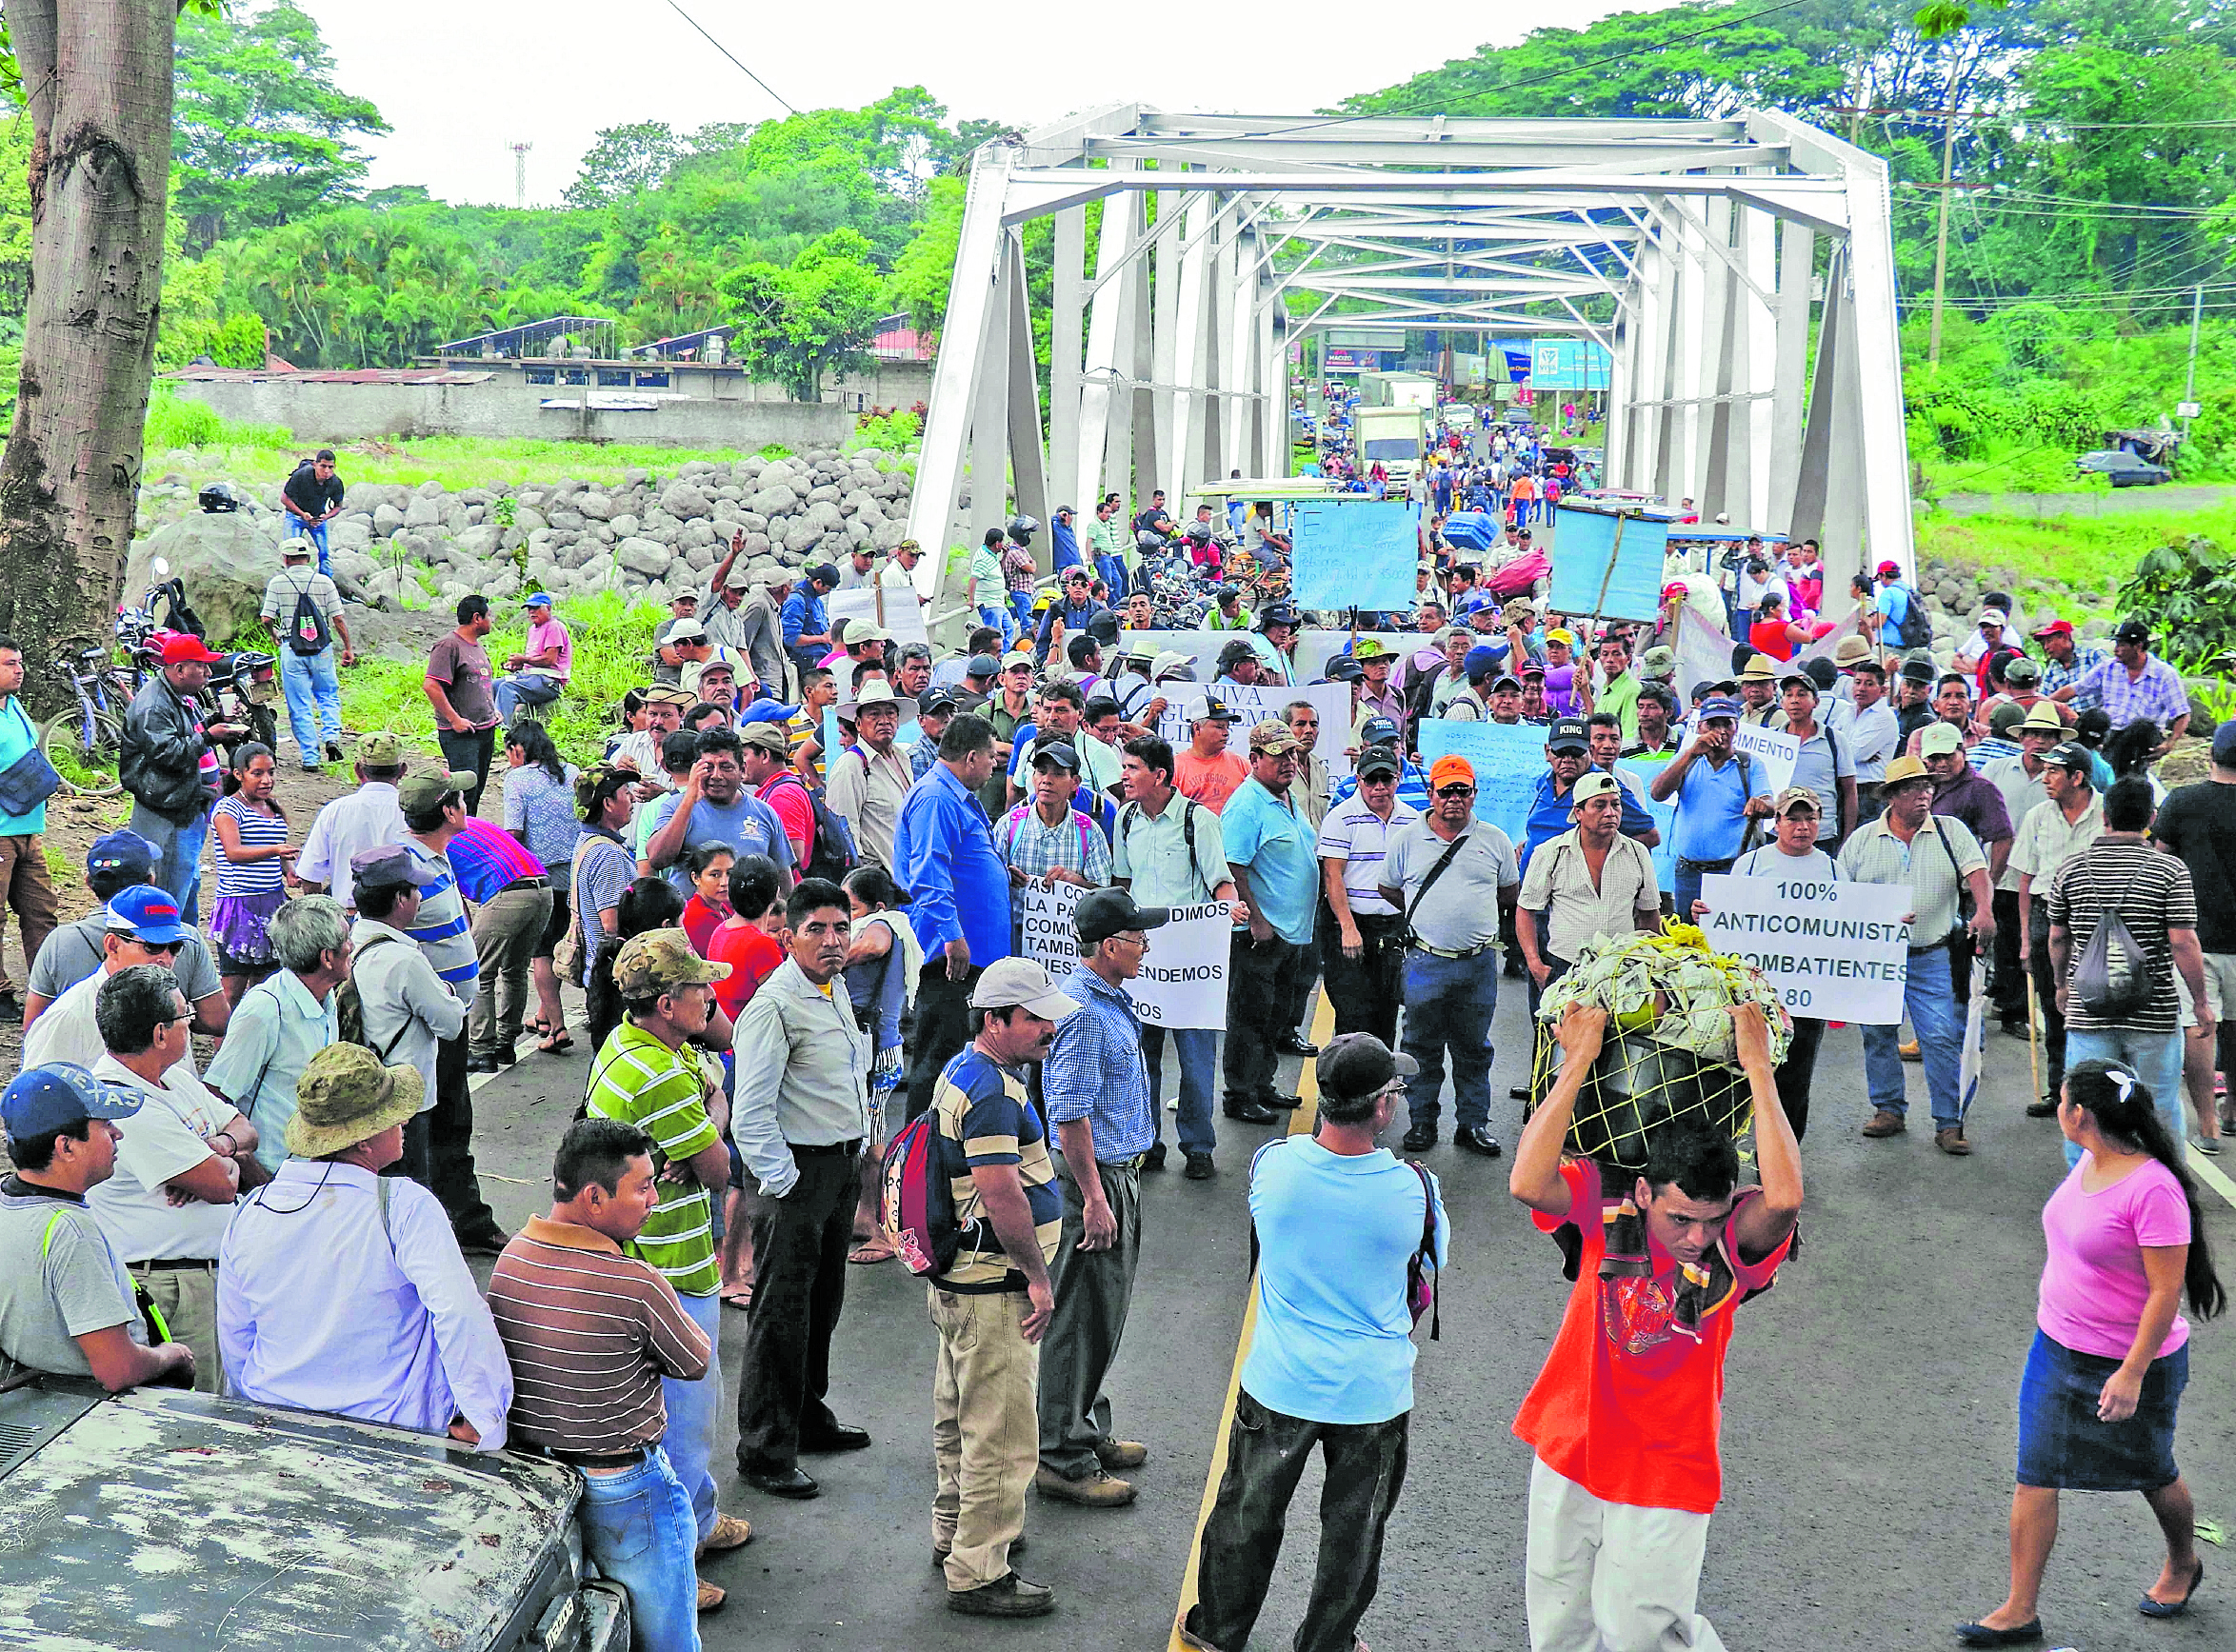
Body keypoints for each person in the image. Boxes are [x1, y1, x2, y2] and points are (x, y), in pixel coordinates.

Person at [1508, 1000, 1801, 1652]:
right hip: (1571, 1444)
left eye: (1712, 1217)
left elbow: (1782, 1198)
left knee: (1644, 1637)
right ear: (1644, 1193)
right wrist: (1578, 1060)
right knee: (1558, 1631)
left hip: (1667, 1467)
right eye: (1681, 1219)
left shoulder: (1734, 1249)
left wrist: (1758, 1065)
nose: (1698, 1237)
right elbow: (1528, 1180)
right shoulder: (1604, 1204)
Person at [1179, 1033, 1447, 1652]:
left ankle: (1218, 1629)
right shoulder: (1416, 1191)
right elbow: (1427, 1270)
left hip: (1281, 1378)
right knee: (1354, 1531)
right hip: (1371, 1393)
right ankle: (1327, 1642)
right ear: (1380, 1108)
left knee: (1246, 1513)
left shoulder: (1273, 1163)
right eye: (1396, 1091)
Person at [1956, 1060, 2225, 1646]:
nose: (2057, 1107)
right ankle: (2020, 1608)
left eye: (2061, 1099)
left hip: (2134, 1364)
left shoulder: (2153, 1188)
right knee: (2035, 1474)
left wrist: (2130, 1374)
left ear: (2080, 1115)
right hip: (2056, 1351)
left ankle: (2184, 1562)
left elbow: (2164, 1291)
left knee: (2153, 1470)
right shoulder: (2089, 1162)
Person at [489, 1118, 724, 1644]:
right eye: (642, 1187)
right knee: (666, 1637)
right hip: (625, 1490)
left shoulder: (512, 1259)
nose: (654, 1200)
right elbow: (694, 1361)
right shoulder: (634, 1283)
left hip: (539, 1482)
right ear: (594, 1198)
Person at [220, 1042, 511, 1452]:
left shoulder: (252, 1210)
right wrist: (483, 1416)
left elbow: (236, 1338)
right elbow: (460, 1314)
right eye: (392, 1117)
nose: (405, 1122)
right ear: (362, 1141)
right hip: (389, 1435)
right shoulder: (403, 1207)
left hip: (277, 1424)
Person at [585, 929, 741, 1566]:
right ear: (668, 1004)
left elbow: (715, 1094)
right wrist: (708, 1110)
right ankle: (678, 1555)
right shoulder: (665, 1074)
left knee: (694, 1413)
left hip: (648, 1257)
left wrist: (709, 1108)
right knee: (682, 1421)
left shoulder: (631, 1041)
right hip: (669, 1269)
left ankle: (698, 1518)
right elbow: (719, 1168)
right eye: (700, 987)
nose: (712, 995)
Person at [926, 959, 1077, 1618]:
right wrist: (1039, 1278)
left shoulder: (965, 1069)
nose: (1049, 1028)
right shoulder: (990, 1090)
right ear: (996, 1020)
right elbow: (1000, 1190)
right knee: (1004, 1434)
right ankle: (980, 1568)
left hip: (964, 1284)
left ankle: (955, 1531)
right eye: (1036, 1018)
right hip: (997, 1288)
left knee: (959, 1417)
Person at [729, 880, 875, 1501]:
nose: (833, 940)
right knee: (781, 1315)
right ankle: (765, 1448)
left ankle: (807, 1416)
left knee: (823, 1304)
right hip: (795, 1175)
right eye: (816, 928)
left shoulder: (833, 987)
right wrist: (787, 1184)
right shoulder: (775, 1004)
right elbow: (750, 1113)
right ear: (787, 935)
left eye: (841, 927)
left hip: (837, 1171)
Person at [1034, 887, 1166, 1509]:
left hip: (1115, 1173)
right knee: (1080, 1317)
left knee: (1101, 1314)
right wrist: (1093, 1197)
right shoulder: (1085, 1011)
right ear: (1110, 945)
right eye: (1138, 937)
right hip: (1094, 1178)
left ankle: (1084, 1425)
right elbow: (1069, 1114)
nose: (1145, 945)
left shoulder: (1106, 998)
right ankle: (1061, 1453)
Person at [86, 965, 264, 1390]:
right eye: (186, 1018)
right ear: (161, 1033)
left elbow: (246, 1130)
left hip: (197, 1276)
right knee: (191, 1420)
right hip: (170, 1285)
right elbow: (221, 1187)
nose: (192, 1025)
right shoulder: (127, 1099)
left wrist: (217, 1148)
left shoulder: (174, 1080)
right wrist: (220, 1163)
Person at [0, 1063, 197, 1390]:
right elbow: (117, 1369)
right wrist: (172, 1356)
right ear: (66, 1147)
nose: (118, 1133)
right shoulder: (70, 1231)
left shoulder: (7, 1201)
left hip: (39, 1401)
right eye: (105, 1124)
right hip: (91, 1416)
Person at [2046, 776, 2211, 1161]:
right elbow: (2183, 941)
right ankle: (2166, 1185)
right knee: (2159, 1104)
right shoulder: (2169, 871)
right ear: (2150, 818)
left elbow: (2057, 938)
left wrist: (2061, 985)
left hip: (2089, 1010)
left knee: (2084, 1103)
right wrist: (2201, 1002)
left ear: (2104, 816)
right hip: (2152, 1012)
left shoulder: (2071, 868)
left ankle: (2087, 1190)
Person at [1842, 754, 1993, 1156]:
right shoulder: (1861, 841)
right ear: (1891, 797)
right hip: (1877, 957)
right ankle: (1888, 1108)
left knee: (1941, 1036)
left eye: (1927, 787)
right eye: (1911, 788)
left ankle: (1949, 1122)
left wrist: (1984, 909)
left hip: (1932, 953)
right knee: (1877, 1034)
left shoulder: (1950, 831)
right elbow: (1841, 897)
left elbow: (1977, 871)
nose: (1923, 795)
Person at [1378, 753, 1521, 1157]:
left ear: (1474, 795)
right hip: (1426, 962)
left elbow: (1509, 892)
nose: (1454, 799)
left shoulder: (1494, 839)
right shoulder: (1407, 838)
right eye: (1446, 791)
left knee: (1473, 1048)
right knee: (1420, 1045)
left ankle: (1472, 1125)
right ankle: (1422, 1122)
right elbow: (1390, 888)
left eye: (1463, 791)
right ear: (1431, 794)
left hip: (1477, 965)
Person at [1112, 736, 1238, 1179]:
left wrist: (1231, 907)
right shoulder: (1125, 819)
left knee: (1196, 1058)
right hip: (1141, 960)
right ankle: (1147, 1141)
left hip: (1190, 961)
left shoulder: (1197, 821)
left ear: (1159, 775)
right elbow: (1123, 885)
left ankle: (1198, 1146)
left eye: (1132, 768)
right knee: (1140, 1056)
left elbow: (1220, 881)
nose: (1124, 776)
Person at [395, 768, 507, 1249]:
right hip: (430, 1023)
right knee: (434, 1122)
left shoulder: (436, 860)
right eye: (460, 799)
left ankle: (459, 1216)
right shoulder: (406, 870)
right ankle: (439, 1223)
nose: (467, 805)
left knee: (452, 1118)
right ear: (447, 811)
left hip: (450, 1018)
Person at [1697, 789, 1839, 1137]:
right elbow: (1725, 920)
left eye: (1810, 818)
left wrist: (1890, 923)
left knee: (1795, 1083)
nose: (1802, 826)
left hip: (1806, 1001)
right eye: (1793, 818)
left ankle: (1778, 1167)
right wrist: (1704, 913)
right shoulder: (1751, 864)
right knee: (1733, 1076)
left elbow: (1850, 928)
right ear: (1777, 823)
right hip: (1753, 995)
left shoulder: (1833, 869)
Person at [895, 715, 1013, 1123]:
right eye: (991, 757)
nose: (995, 765)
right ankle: (918, 1161)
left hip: (973, 955)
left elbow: (960, 860)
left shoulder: (956, 795)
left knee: (962, 1063)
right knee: (939, 1064)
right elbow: (927, 872)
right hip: (952, 959)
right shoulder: (936, 799)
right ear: (971, 757)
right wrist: (952, 934)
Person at [25, 832, 227, 1039]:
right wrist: (174, 1019)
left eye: (173, 948)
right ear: (151, 880)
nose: (166, 955)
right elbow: (216, 1021)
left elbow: (34, 1029)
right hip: (161, 1061)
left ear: (88, 883)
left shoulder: (59, 941)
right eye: (153, 946)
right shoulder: (185, 936)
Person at [347, 846, 465, 1186]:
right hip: (405, 1097)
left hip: (362, 1088)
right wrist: (450, 995)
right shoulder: (404, 960)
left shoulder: (349, 942)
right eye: (415, 890)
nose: (419, 896)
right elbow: (450, 1024)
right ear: (400, 899)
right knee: (408, 1190)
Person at [1517, 769, 1661, 1045]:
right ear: (1579, 812)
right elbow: (1525, 910)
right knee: (1554, 1055)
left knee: (1611, 1057)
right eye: (1600, 805)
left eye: (1615, 804)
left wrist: (1651, 965)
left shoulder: (1637, 853)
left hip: (1621, 972)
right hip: (1565, 969)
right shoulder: (1550, 853)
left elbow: (1649, 916)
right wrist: (1535, 965)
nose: (1610, 812)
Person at [1222, 721, 1319, 1125]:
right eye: (1279, 755)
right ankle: (1240, 1093)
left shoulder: (1286, 797)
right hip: (1261, 934)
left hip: (1291, 930)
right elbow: (1232, 866)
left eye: (1292, 754)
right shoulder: (1247, 805)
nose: (1289, 762)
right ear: (1255, 759)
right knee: (1249, 1017)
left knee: (1275, 1015)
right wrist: (1257, 920)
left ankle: (1262, 1084)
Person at [25, 886, 204, 1076]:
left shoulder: (172, 1004)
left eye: (175, 947)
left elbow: (188, 1083)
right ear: (113, 946)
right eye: (153, 946)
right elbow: (35, 1099)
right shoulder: (69, 1017)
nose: (166, 959)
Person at [121, 632, 235, 922]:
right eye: (202, 666)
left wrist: (213, 723)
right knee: (169, 887)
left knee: (188, 883)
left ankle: (186, 949)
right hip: (166, 810)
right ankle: (167, 949)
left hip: (187, 805)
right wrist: (210, 736)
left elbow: (186, 735)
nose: (208, 672)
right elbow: (167, 754)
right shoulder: (154, 705)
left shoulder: (181, 696)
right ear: (180, 669)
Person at [1318, 746, 1416, 1050]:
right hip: (1351, 923)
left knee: (1385, 1013)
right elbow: (1333, 877)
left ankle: (1378, 1092)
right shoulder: (1341, 818)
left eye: (1386, 779)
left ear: (1397, 779)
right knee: (1352, 1014)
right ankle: (1342, 1093)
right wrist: (1348, 928)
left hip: (1392, 927)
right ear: (1359, 780)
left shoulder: (1412, 820)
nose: (1379, 788)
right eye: (1371, 780)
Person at [501, 723, 581, 1051]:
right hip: (577, 871)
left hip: (539, 874)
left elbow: (514, 832)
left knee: (542, 952)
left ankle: (558, 1029)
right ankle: (544, 1014)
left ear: (518, 749)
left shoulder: (517, 779)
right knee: (567, 938)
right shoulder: (571, 772)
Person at [643, 726, 796, 895]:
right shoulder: (675, 805)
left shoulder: (765, 813)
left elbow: (783, 881)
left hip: (748, 919)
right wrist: (689, 801)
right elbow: (657, 859)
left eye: (726, 767)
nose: (716, 775)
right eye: (708, 767)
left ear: (742, 770)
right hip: (691, 919)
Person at [207, 744, 296, 1003]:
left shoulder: (272, 806)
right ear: (238, 774)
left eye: (271, 772)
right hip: (240, 905)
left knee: (265, 985)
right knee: (232, 989)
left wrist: (288, 871)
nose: (267, 780)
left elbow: (277, 850)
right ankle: (223, 1042)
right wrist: (276, 850)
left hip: (272, 901)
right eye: (257, 773)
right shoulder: (227, 810)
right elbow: (233, 852)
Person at [999, 743, 1112, 944]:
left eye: (1058, 774)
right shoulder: (1010, 825)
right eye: (1041, 772)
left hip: (1067, 945)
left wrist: (1077, 882)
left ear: (1075, 782)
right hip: (1014, 939)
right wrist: (1005, 876)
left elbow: (1104, 897)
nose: (1046, 780)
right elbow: (987, 885)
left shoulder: (1089, 832)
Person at [258, 536, 354, 772]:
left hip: (292, 648)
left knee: (299, 704)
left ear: (286, 558)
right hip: (321, 649)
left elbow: (266, 618)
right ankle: (331, 736)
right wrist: (348, 647)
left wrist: (274, 634)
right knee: (328, 694)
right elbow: (338, 619)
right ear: (308, 558)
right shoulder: (324, 582)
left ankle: (310, 758)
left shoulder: (278, 583)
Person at [0, 634, 56, 1021]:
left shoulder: (15, 705)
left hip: (28, 826)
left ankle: (48, 987)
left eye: (20, 662)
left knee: (41, 910)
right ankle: (0, 991)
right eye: (9, 664)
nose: (19, 670)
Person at [292, 731, 409, 908]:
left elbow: (309, 876)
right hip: (402, 917)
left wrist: (327, 915)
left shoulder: (334, 811)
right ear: (402, 771)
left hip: (349, 915)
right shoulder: (411, 812)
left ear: (357, 770)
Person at [2051, 619, 2189, 750]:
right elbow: (2075, 689)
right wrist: (2045, 703)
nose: (2116, 650)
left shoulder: (2164, 674)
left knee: (2142, 726)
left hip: (2142, 737)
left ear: (2138, 646)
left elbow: (2182, 714)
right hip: (2110, 732)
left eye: (2122, 645)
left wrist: (2169, 743)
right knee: (2092, 718)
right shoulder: (2109, 667)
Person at [423, 596, 502, 815]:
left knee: (476, 791)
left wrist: (492, 710)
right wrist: (454, 719)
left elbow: (479, 686)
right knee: (464, 791)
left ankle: (469, 836)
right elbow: (431, 685)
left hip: (485, 730)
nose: (491, 620)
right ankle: (456, 841)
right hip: (462, 734)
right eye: (489, 615)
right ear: (477, 618)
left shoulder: (476, 647)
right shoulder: (449, 645)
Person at [826, 682, 914, 870]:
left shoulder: (903, 758)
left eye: (890, 713)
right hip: (877, 878)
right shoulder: (850, 765)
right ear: (858, 724)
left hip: (908, 874)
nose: (884, 720)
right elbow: (843, 834)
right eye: (874, 714)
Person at [1174, 696, 1248, 814]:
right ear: (1197, 728)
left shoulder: (1242, 764)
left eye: (1227, 727)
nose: (1226, 733)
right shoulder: (1175, 767)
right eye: (1219, 727)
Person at [782, 563, 841, 685]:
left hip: (821, 656)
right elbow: (791, 639)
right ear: (818, 582)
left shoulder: (816, 600)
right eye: (827, 589)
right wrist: (822, 638)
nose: (827, 592)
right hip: (807, 661)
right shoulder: (796, 601)